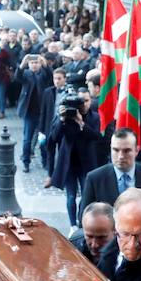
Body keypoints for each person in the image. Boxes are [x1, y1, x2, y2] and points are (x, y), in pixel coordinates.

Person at [80, 128, 141, 249]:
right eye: (116, 150)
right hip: (108, 249)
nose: (120, 156)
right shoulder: (95, 178)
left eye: (126, 151)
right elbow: (84, 218)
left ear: (137, 150)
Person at [49, 88, 100, 230]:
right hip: (69, 163)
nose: (84, 105)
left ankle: (81, 220)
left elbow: (96, 136)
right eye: (81, 101)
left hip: (86, 162)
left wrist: (81, 123)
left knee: (86, 195)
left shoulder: (94, 117)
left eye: (86, 101)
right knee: (71, 196)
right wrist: (62, 120)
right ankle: (73, 225)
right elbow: (54, 137)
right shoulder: (65, 116)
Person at [15, 53, 51, 172]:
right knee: (27, 139)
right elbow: (17, 76)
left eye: (36, 63)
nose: (34, 65)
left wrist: (44, 63)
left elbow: (50, 75)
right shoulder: (26, 74)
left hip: (42, 112)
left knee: (43, 139)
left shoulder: (43, 74)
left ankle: (45, 161)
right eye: (32, 63)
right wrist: (22, 63)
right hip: (29, 112)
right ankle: (26, 162)